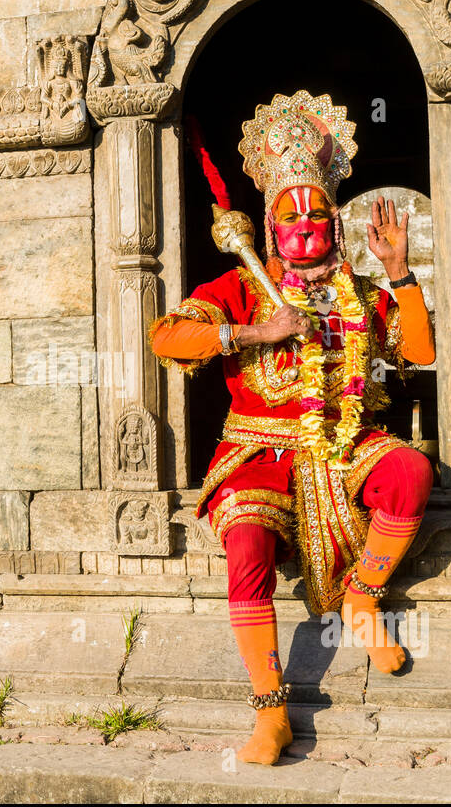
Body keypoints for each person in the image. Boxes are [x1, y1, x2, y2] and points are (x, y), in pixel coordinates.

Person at [149, 91, 436, 765]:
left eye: (317, 213)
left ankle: (365, 596)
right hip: (260, 450)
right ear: (272, 230)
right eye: (291, 215)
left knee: (411, 471)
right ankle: (270, 709)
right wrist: (257, 329)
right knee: (246, 545)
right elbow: (168, 337)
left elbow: (417, 353)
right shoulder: (244, 287)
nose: (304, 224)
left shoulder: (360, 293)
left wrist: (398, 272)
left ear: (336, 226)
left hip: (346, 443)